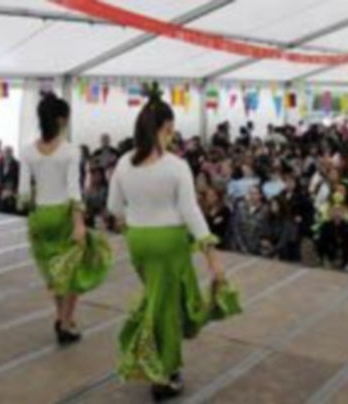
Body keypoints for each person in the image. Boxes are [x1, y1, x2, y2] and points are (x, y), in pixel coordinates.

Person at [107, 86, 240, 401]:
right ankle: (163, 376)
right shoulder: (176, 166)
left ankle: (166, 364)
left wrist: (135, 223)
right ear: (163, 129)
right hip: (169, 242)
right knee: (166, 307)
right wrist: (211, 253)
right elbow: (191, 211)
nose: (173, 136)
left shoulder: (124, 162)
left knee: (163, 302)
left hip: (139, 242)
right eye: (171, 130)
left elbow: (114, 208)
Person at [18, 93, 113, 346]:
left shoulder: (27, 151)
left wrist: (36, 211)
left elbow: (23, 194)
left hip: (39, 216)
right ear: (61, 120)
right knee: (72, 270)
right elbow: (74, 190)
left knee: (53, 271)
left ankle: (62, 317)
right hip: (64, 214)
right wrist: (79, 223)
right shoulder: (70, 151)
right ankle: (65, 321)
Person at [0, 146, 20, 213]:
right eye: (5, 152)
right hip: (1, 190)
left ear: (12, 153)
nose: (7, 154)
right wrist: (2, 189)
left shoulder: (17, 164)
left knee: (11, 208)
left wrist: (12, 190)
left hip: (12, 190)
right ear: (3, 153)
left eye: (9, 152)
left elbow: (18, 178)